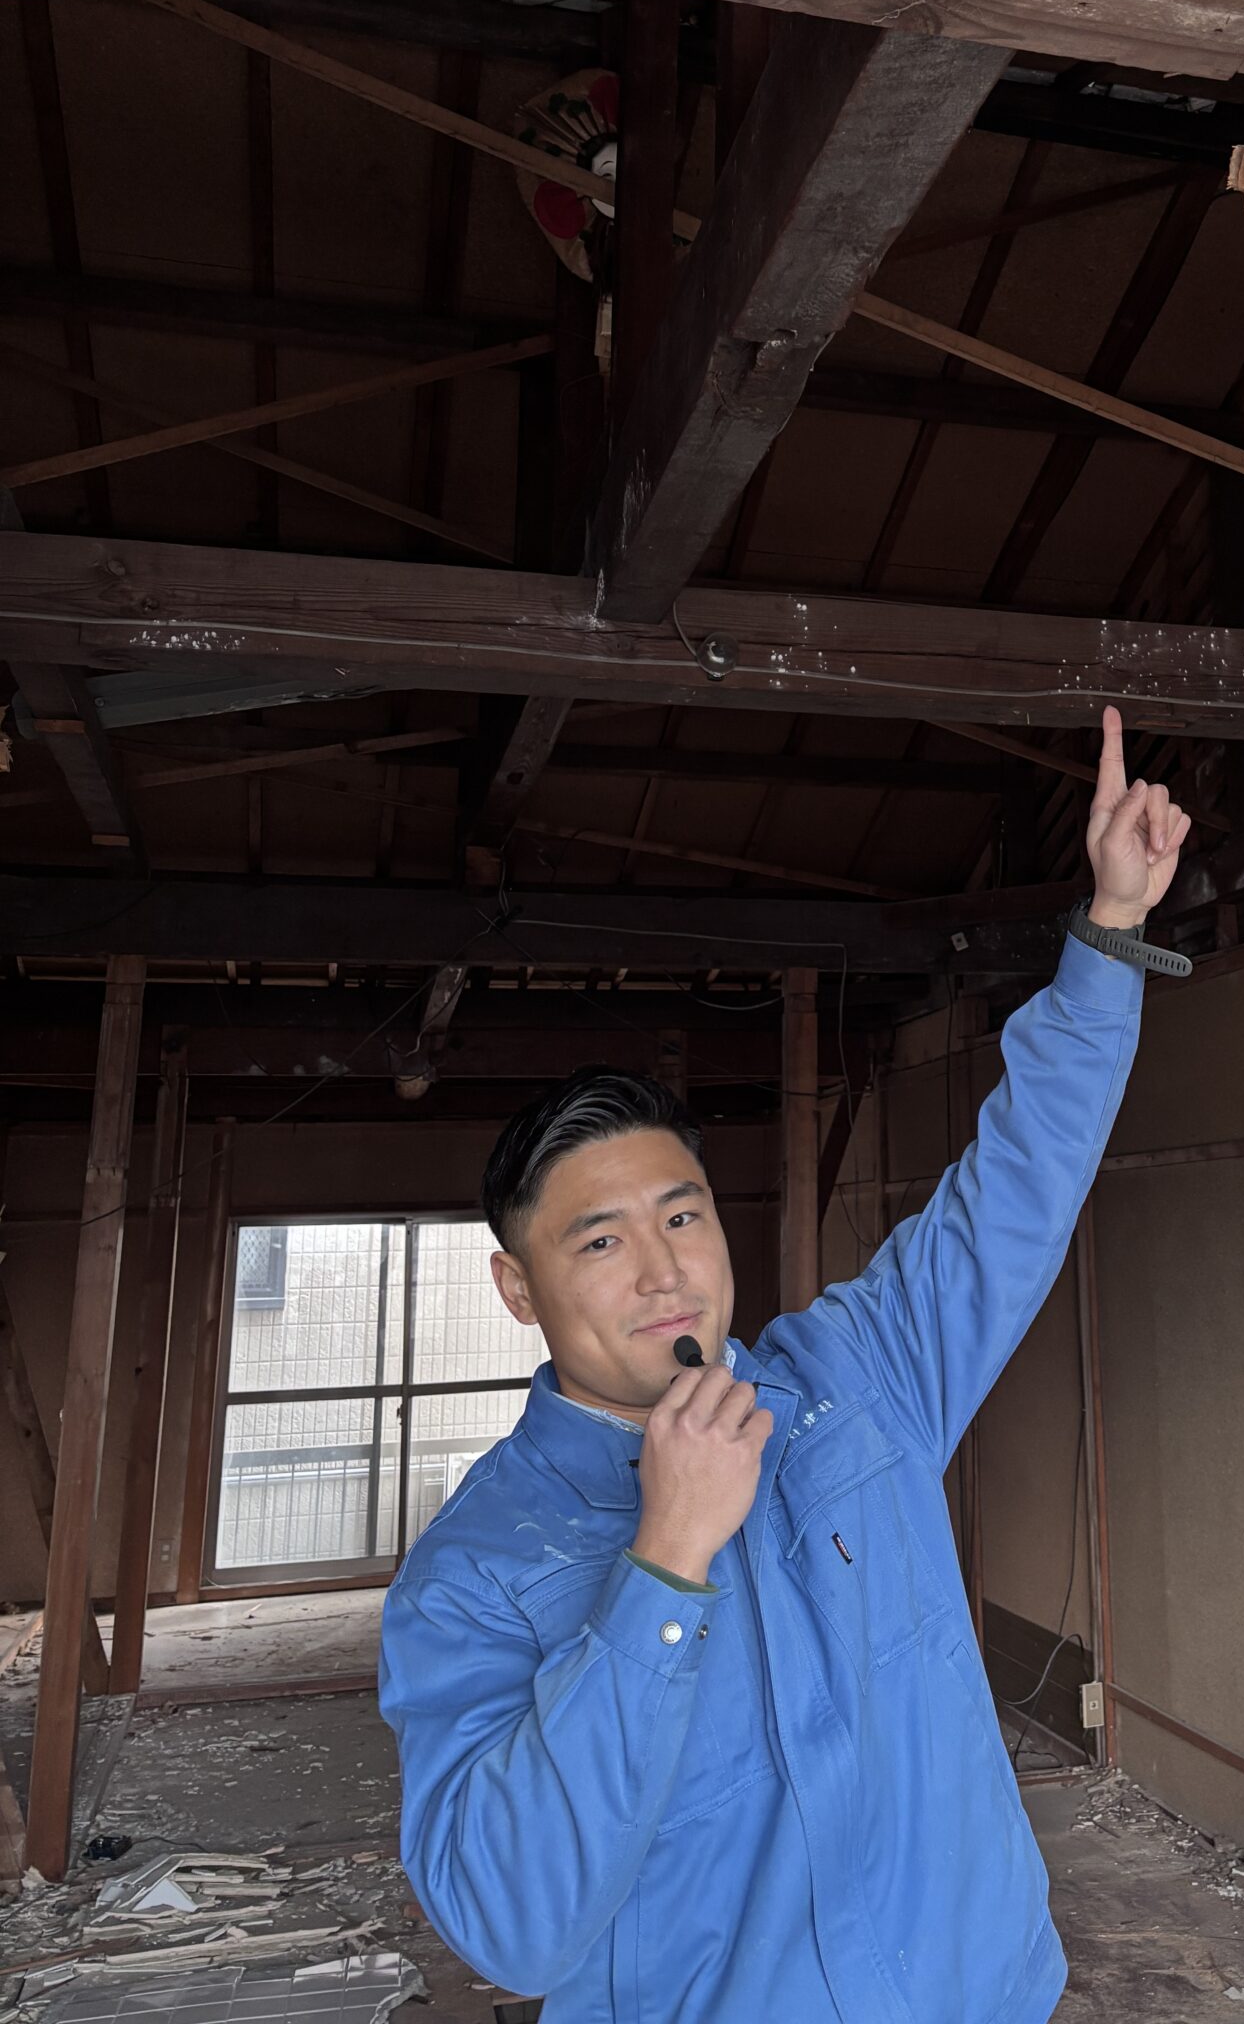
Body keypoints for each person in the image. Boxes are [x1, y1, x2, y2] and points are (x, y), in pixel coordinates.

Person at [378, 708, 1190, 2024]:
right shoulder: (473, 1572)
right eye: (601, 1240)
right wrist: (665, 1564)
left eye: (683, 1215)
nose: (663, 1270)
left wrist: (1106, 931)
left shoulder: (855, 1378)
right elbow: (511, 1925)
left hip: (989, 1995)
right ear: (518, 1290)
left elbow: (1014, 1193)